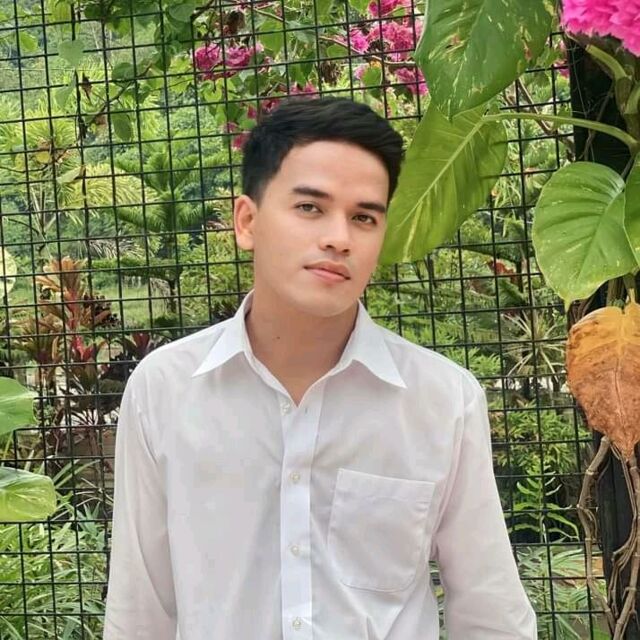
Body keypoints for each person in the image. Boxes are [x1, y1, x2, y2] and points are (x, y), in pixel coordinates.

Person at [103, 96, 537, 639]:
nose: (339, 237)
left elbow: (491, 615)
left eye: (364, 217)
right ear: (247, 222)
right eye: (310, 207)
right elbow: (141, 613)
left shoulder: (442, 399)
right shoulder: (165, 390)